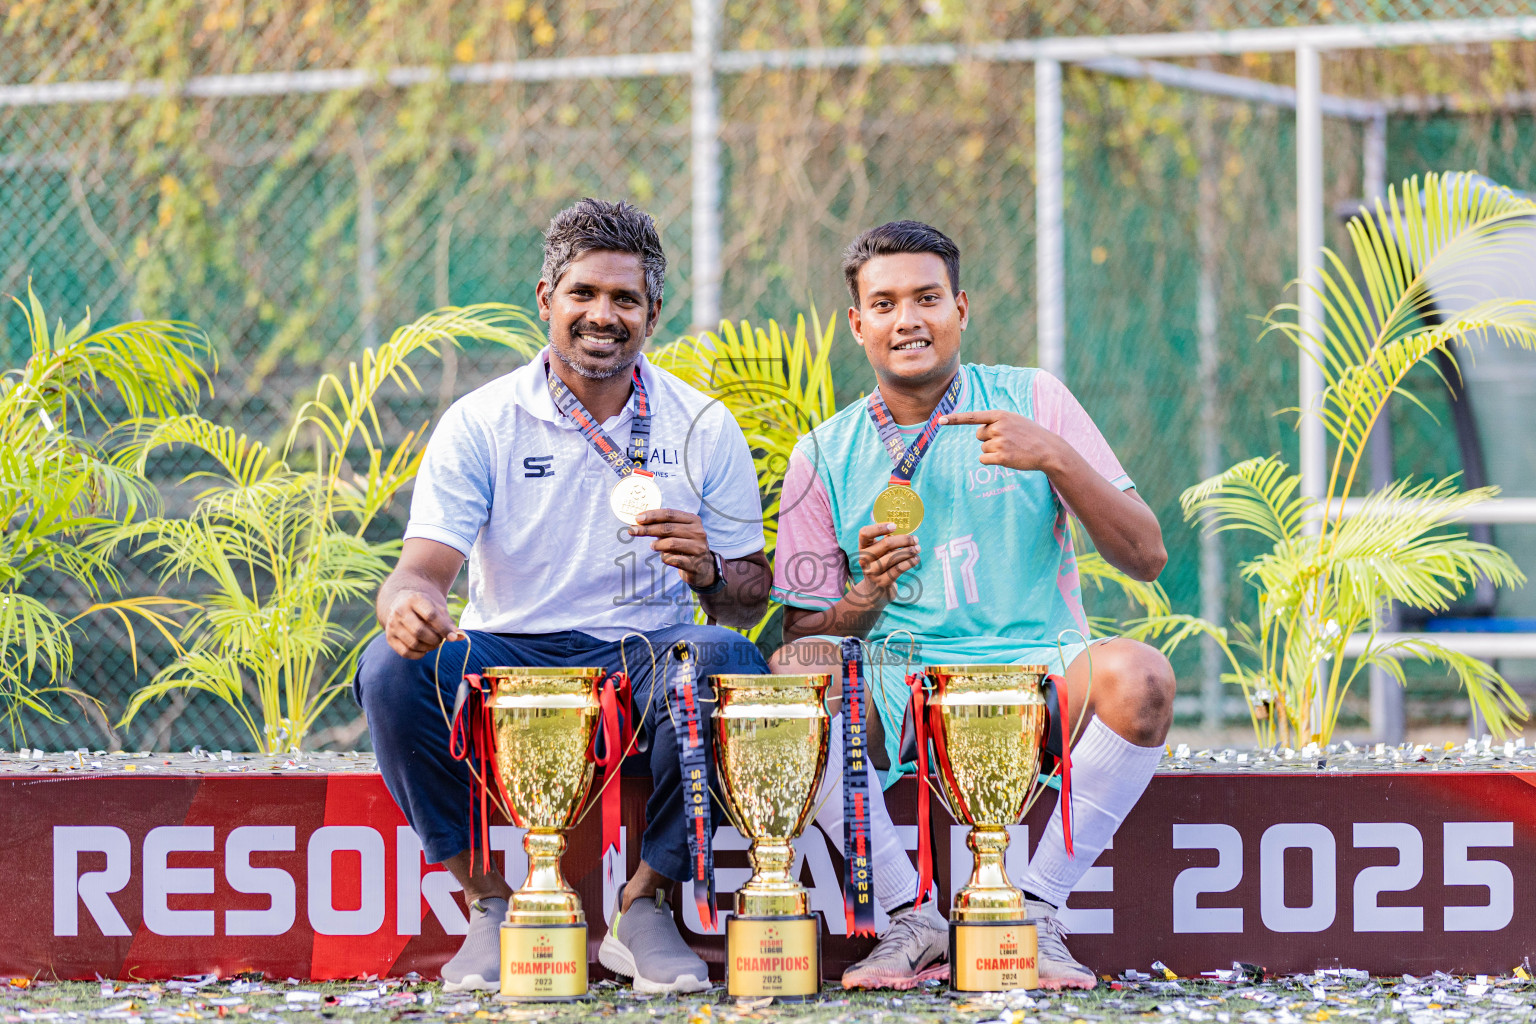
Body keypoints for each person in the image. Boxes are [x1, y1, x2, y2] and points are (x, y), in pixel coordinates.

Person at [355, 198, 774, 994]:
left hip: (645, 653)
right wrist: (405, 605)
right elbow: (420, 571)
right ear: (546, 300)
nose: (601, 315)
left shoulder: (702, 424)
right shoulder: (482, 421)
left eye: (624, 299)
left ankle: (645, 907)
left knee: (725, 656)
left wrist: (713, 574)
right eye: (583, 294)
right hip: (508, 651)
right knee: (389, 670)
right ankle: (489, 905)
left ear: (654, 313)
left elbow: (746, 602)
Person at [769, 220, 1175, 990]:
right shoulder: (823, 452)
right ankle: (907, 916)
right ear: (858, 324)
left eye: (927, 298)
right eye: (883, 304)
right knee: (795, 671)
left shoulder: (1031, 400)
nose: (908, 320)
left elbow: (1146, 556)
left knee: (1143, 677)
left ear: (962, 308)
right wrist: (866, 595)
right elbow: (805, 629)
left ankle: (1034, 908)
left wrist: (1055, 458)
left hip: (1038, 673)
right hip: (903, 688)